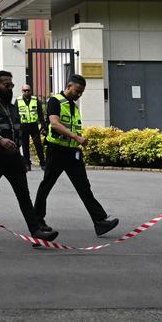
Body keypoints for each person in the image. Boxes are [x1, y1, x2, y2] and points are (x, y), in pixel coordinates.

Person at [0, 70, 59, 244]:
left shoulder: (12, 107)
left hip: (13, 157)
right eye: (6, 85)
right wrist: (0, 140)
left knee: (23, 194)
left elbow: (18, 130)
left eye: (11, 85)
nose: (10, 88)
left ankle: (36, 231)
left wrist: (18, 150)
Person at [33, 74, 119, 237]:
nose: (79, 94)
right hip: (56, 150)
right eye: (77, 91)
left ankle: (100, 221)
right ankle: (37, 221)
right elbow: (55, 123)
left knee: (83, 186)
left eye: (82, 92)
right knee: (47, 185)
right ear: (69, 86)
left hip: (73, 153)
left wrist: (76, 143)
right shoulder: (55, 101)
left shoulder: (74, 106)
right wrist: (76, 137)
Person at [16, 84, 45, 171]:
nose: (27, 92)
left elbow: (40, 113)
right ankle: (27, 164)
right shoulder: (18, 100)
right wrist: (16, 127)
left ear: (31, 91)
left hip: (34, 126)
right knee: (25, 146)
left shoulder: (35, 100)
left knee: (38, 146)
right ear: (22, 91)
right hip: (23, 126)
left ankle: (43, 163)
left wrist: (43, 125)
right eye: (25, 90)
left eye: (28, 90)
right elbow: (16, 115)